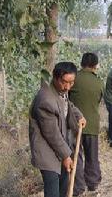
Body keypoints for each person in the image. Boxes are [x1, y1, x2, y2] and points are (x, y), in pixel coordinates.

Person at [29, 62, 86, 197]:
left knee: (63, 189)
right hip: (47, 153)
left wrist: (79, 116)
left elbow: (68, 105)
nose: (67, 87)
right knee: (53, 192)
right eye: (64, 82)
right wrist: (66, 156)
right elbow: (51, 134)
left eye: (71, 83)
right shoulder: (45, 100)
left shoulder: (61, 91)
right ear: (55, 78)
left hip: (60, 148)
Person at [69, 53, 103, 196]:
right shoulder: (99, 82)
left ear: (82, 63)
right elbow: (99, 100)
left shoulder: (74, 78)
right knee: (92, 155)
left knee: (76, 156)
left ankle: (78, 187)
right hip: (92, 124)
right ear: (95, 65)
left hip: (74, 124)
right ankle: (93, 183)